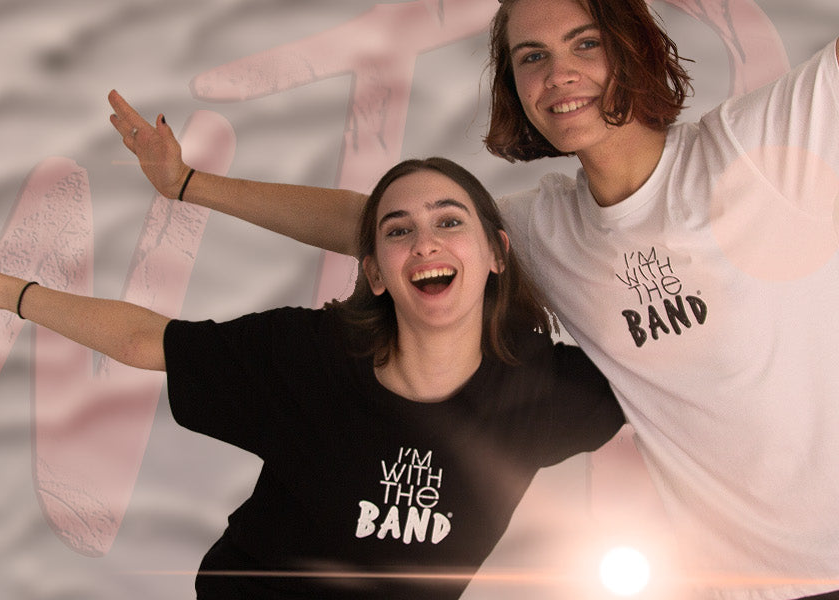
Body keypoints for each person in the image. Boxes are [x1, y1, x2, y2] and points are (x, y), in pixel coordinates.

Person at [106, 0, 839, 598]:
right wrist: (188, 185)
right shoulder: (546, 232)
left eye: (585, 44)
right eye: (532, 57)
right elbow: (372, 220)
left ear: (632, 45)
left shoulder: (751, 149)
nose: (559, 74)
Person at [0, 157, 625, 599]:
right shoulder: (309, 358)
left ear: (498, 253)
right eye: (399, 231)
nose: (425, 242)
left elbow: (675, 377)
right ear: (375, 272)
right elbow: (147, 340)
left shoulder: (544, 391)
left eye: (449, 222)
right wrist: (12, 295)